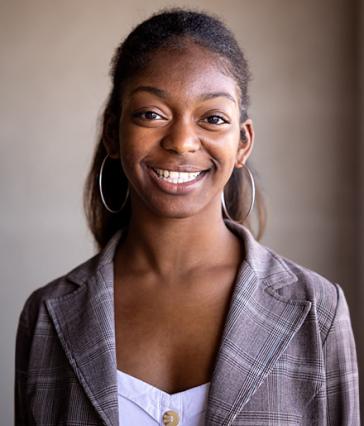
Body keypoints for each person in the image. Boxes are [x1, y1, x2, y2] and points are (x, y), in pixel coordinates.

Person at [15, 8, 359, 426]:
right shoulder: (47, 317)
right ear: (112, 133)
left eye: (213, 118)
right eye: (151, 113)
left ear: (243, 143)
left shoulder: (317, 311)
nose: (180, 142)